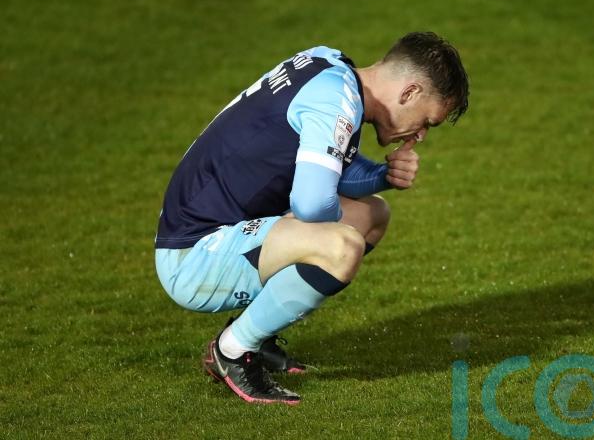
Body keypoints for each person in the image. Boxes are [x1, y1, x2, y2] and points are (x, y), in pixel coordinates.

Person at [154, 32, 469, 404]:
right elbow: (311, 203)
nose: (420, 134)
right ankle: (233, 351)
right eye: (427, 122)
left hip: (215, 229)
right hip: (194, 255)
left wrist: (383, 177)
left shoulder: (331, 67)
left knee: (372, 214)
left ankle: (257, 332)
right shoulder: (335, 102)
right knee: (341, 244)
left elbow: (333, 172)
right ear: (410, 92)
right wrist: (310, 233)